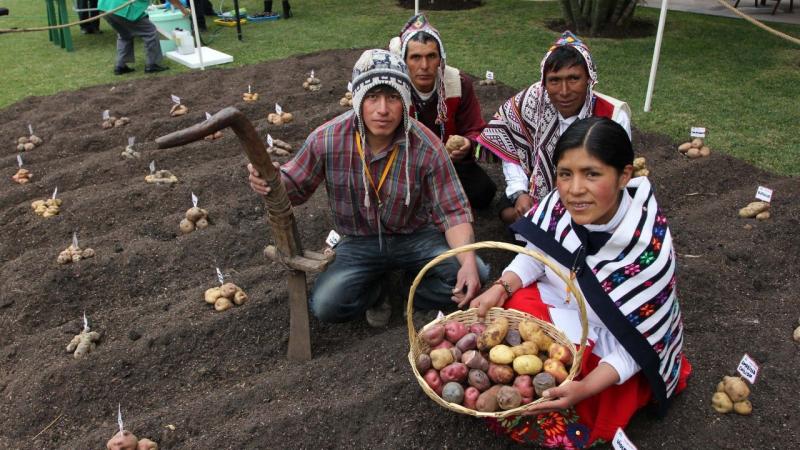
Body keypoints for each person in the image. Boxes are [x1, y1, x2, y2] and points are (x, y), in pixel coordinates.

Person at [470, 117, 691, 448]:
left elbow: (637, 341)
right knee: (507, 314)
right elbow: (536, 255)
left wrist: (585, 388)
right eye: (565, 174)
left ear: (624, 175)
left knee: (584, 388)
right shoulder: (561, 204)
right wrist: (501, 287)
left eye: (592, 174)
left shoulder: (647, 247)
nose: (574, 190)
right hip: (559, 310)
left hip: (610, 343)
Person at [248, 49, 489, 327]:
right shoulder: (327, 139)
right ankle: (377, 291)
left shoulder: (427, 145)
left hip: (415, 236)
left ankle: (418, 294)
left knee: (476, 273)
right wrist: (270, 181)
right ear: (359, 99)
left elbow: (453, 211)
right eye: (373, 97)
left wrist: (468, 262)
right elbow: (294, 186)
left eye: (393, 97)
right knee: (327, 305)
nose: (383, 109)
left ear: (405, 100)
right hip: (359, 240)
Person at [478, 31, 631, 224]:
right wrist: (520, 193)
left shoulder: (613, 116)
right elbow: (513, 146)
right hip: (538, 188)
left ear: (589, 79)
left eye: (574, 78)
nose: (564, 91)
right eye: (555, 80)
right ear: (544, 82)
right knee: (508, 212)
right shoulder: (531, 101)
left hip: (588, 194)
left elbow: (615, 173)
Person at [389, 14, 496, 210]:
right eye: (415, 57)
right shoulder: (394, 89)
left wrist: (467, 144)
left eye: (431, 56)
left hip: (449, 163)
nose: (424, 66)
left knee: (483, 192)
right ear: (404, 61)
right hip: (406, 165)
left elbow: (475, 129)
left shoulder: (458, 83)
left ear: (441, 58)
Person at [98, 0, 189, 75]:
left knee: (124, 34)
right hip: (123, 8)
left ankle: (120, 66)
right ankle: (152, 64)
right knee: (150, 32)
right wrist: (183, 10)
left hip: (105, 7)